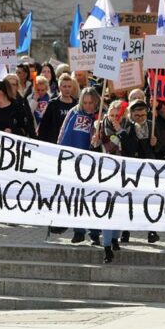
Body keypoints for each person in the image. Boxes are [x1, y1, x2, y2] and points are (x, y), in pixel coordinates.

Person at [58, 87, 101, 245]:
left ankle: (95, 233)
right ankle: (78, 231)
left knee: (92, 199)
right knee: (76, 197)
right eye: (85, 102)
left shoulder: (100, 116)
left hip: (93, 163)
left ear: (96, 102)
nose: (88, 106)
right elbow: (63, 132)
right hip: (74, 161)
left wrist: (98, 138)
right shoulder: (73, 112)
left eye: (91, 102)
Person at [119, 99, 160, 245]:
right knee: (129, 201)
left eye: (143, 115)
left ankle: (152, 231)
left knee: (150, 200)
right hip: (131, 168)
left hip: (148, 169)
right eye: (137, 116)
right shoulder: (127, 126)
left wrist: (156, 143)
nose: (141, 118)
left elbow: (162, 148)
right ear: (131, 114)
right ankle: (125, 232)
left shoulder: (152, 125)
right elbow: (126, 147)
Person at [93, 100, 127, 263]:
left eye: (117, 116)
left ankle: (115, 237)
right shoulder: (99, 127)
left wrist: (121, 132)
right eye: (111, 115)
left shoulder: (128, 127)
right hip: (104, 173)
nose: (114, 118)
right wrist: (94, 142)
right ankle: (106, 247)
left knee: (118, 208)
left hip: (122, 173)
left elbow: (130, 146)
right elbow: (93, 149)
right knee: (107, 209)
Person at [37, 73, 78, 143]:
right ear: (60, 87)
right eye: (64, 86)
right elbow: (43, 127)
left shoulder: (76, 105)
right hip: (54, 142)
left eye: (69, 86)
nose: (67, 89)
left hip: (70, 142)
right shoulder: (53, 104)